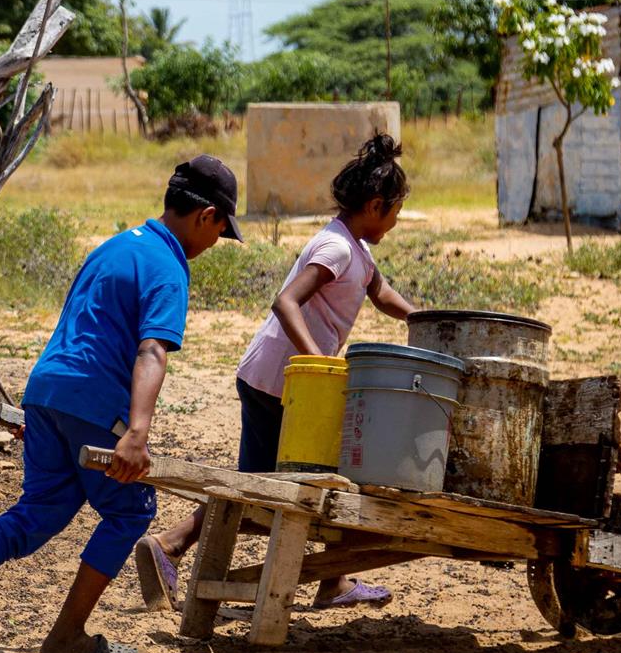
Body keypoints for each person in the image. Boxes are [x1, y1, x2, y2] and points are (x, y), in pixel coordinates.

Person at [0, 156, 242, 653]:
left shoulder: (116, 247)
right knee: (131, 510)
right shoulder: (168, 268)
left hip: (47, 390)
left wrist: (57, 409)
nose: (214, 244)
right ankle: (68, 636)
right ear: (207, 215)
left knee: (41, 511)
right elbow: (151, 352)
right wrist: (136, 433)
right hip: (92, 400)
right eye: (220, 232)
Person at [133, 133, 416, 613]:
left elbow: (382, 293)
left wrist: (423, 321)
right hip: (281, 381)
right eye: (393, 214)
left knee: (266, 480)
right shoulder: (337, 249)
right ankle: (173, 546)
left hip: (281, 380)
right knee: (294, 480)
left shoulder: (357, 252)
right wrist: (316, 365)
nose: (393, 223)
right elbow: (286, 303)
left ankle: (327, 577)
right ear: (373, 206)